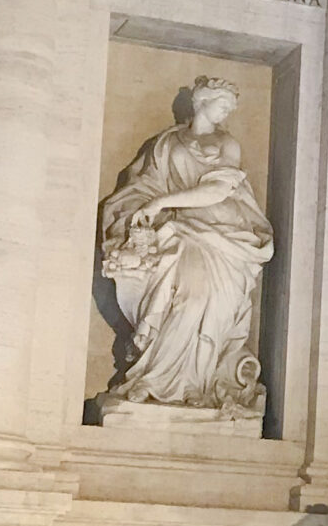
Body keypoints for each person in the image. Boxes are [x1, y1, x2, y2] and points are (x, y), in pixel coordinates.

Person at [98, 79, 273, 411]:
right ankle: (153, 379)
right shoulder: (166, 143)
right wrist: (147, 211)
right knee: (187, 298)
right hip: (180, 231)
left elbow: (218, 191)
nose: (227, 112)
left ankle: (197, 385)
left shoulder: (227, 143)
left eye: (231, 109)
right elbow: (144, 184)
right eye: (223, 105)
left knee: (213, 306)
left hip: (223, 234)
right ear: (202, 101)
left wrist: (161, 203)